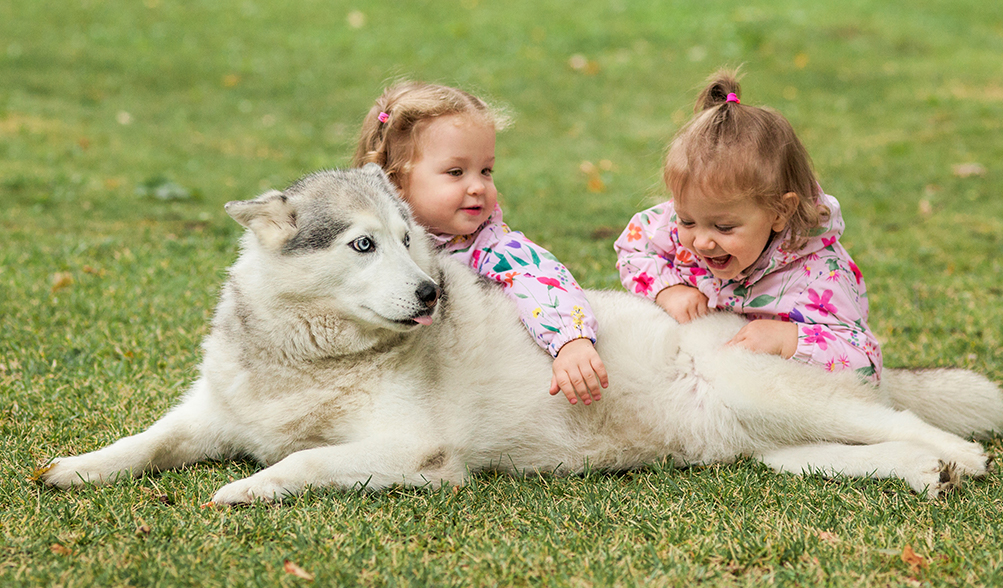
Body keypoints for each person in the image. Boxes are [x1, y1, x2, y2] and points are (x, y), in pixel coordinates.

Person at [615, 70, 881, 382]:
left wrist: (787, 339)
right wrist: (668, 289)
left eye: (724, 227)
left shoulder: (818, 275)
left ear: (780, 212)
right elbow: (633, 246)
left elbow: (866, 362)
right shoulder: (680, 225)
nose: (701, 241)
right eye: (687, 220)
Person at [354, 81, 609, 403]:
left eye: (486, 170)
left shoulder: (490, 247)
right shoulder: (368, 244)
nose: (477, 186)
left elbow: (538, 277)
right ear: (394, 181)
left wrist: (571, 342)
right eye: (456, 172)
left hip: (478, 385)